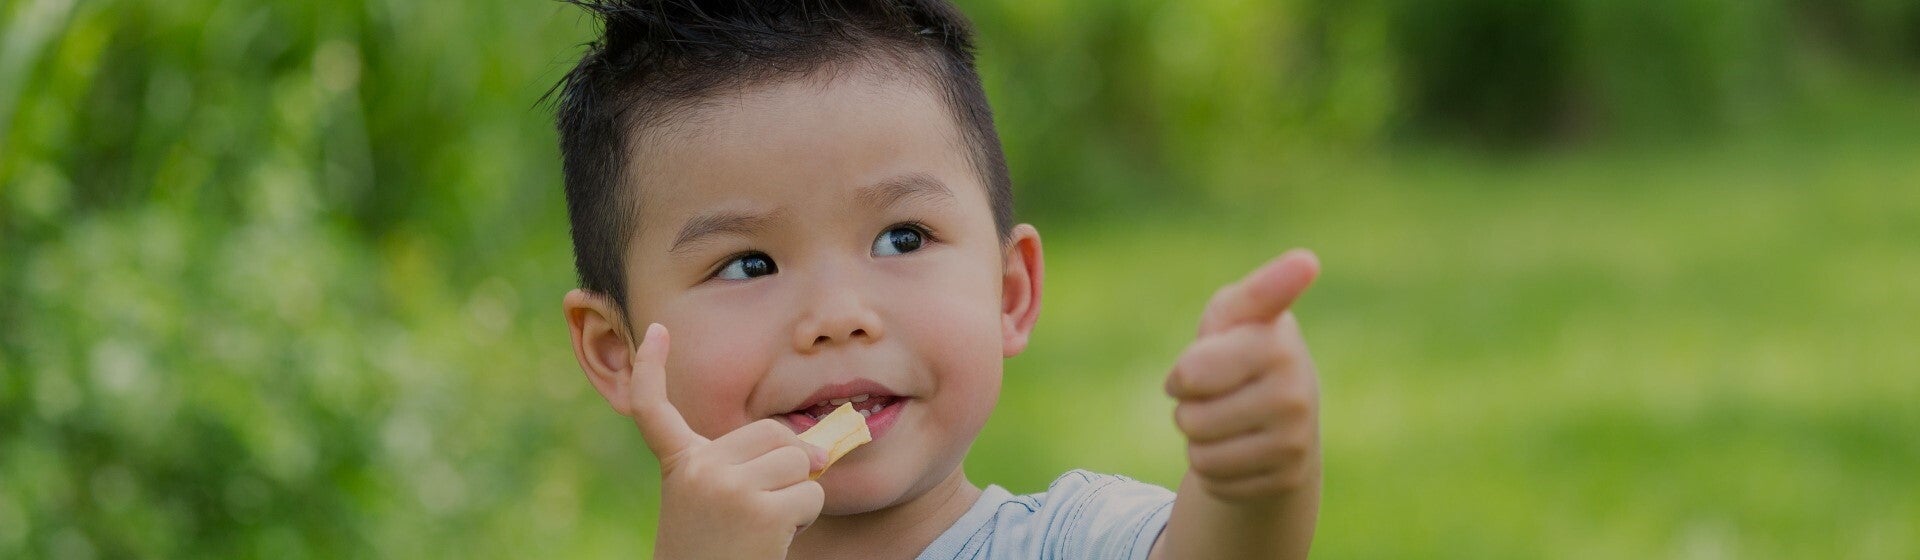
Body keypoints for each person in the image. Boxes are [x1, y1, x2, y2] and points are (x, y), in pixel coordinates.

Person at [552, 1, 1323, 557]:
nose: (838, 316)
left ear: (1007, 294)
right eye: (748, 264)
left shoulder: (1070, 539)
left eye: (902, 237)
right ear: (619, 352)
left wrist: (1253, 483)